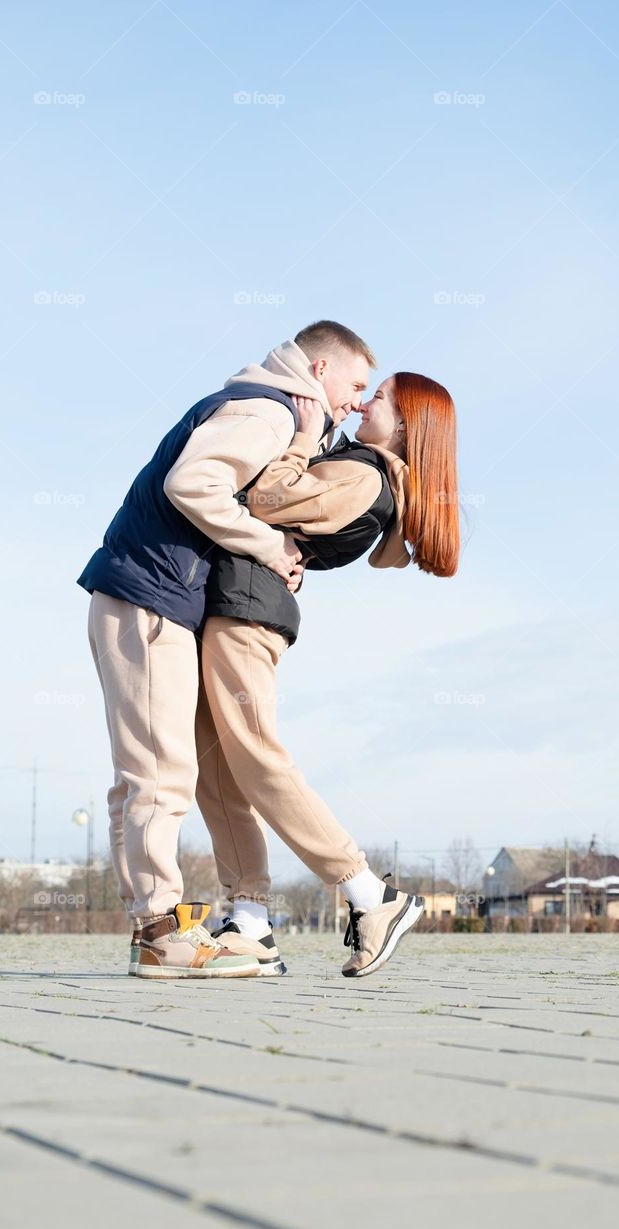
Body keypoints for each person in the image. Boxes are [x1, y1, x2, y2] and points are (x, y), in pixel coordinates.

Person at [78, 320, 376, 977]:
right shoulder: (265, 409)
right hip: (148, 599)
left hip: (159, 601)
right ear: (320, 371)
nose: (359, 400)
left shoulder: (275, 413)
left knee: (165, 772)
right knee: (157, 775)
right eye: (356, 384)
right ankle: (158, 934)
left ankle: (163, 929)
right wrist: (271, 545)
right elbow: (194, 484)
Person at [195, 371, 460, 978]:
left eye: (381, 397)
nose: (365, 403)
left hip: (248, 614)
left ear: (407, 423)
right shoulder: (358, 466)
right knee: (218, 766)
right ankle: (250, 921)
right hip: (235, 604)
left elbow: (265, 497)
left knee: (258, 757)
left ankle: (370, 893)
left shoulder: (366, 474)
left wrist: (301, 433)